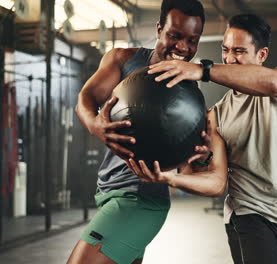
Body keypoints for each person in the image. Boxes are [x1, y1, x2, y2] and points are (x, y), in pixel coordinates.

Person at [129, 13, 277, 264]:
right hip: (250, 217)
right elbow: (217, 183)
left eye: (239, 51)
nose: (230, 58)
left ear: (261, 55)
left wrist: (203, 70)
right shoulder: (216, 116)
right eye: (226, 50)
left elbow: (276, 84)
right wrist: (172, 177)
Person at [68, 1, 208, 264]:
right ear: (159, 29)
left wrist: (202, 157)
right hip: (107, 192)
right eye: (174, 36)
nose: (182, 48)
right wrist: (95, 125)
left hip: (140, 201)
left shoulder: (191, 95)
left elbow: (189, 172)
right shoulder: (123, 59)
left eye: (192, 40)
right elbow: (85, 98)